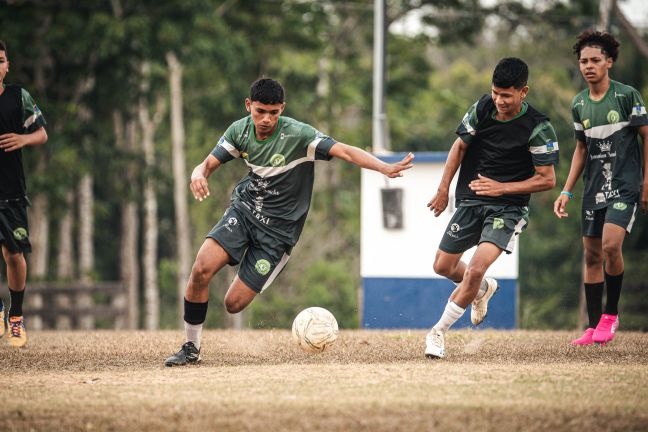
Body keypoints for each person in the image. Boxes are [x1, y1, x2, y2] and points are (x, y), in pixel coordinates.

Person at [164, 78, 414, 366]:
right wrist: (198, 174)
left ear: (282, 109)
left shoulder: (300, 135)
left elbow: (344, 151)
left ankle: (250, 268)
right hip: (245, 211)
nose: (267, 119)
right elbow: (208, 163)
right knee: (200, 269)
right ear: (249, 106)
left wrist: (384, 167)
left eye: (274, 112)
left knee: (233, 305)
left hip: (277, 235)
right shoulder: (240, 131)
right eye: (260, 111)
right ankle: (190, 348)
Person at [425, 58, 559, 359]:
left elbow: (547, 179)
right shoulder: (483, 107)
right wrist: (443, 188)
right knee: (443, 266)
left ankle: (437, 333)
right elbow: (459, 146)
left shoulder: (538, 127)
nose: (500, 100)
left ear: (523, 91)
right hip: (471, 200)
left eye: (507, 95)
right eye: (496, 93)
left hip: (507, 209)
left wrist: (502, 188)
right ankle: (484, 289)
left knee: (473, 269)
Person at [554, 30, 648, 346]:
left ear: (609, 62)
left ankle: (610, 315)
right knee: (591, 255)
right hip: (594, 189)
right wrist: (566, 191)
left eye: (595, 60)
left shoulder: (626, 96)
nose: (589, 66)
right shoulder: (579, 103)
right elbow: (581, 149)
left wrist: (646, 181)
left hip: (625, 185)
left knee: (610, 246)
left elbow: (647, 137)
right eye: (584, 61)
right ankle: (593, 327)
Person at [0, 40, 48, 348]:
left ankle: (16, 317)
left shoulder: (19, 97)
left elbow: (42, 133)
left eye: (1, 60)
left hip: (11, 190)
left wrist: (22, 138)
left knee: (13, 254)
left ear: (6, 66)